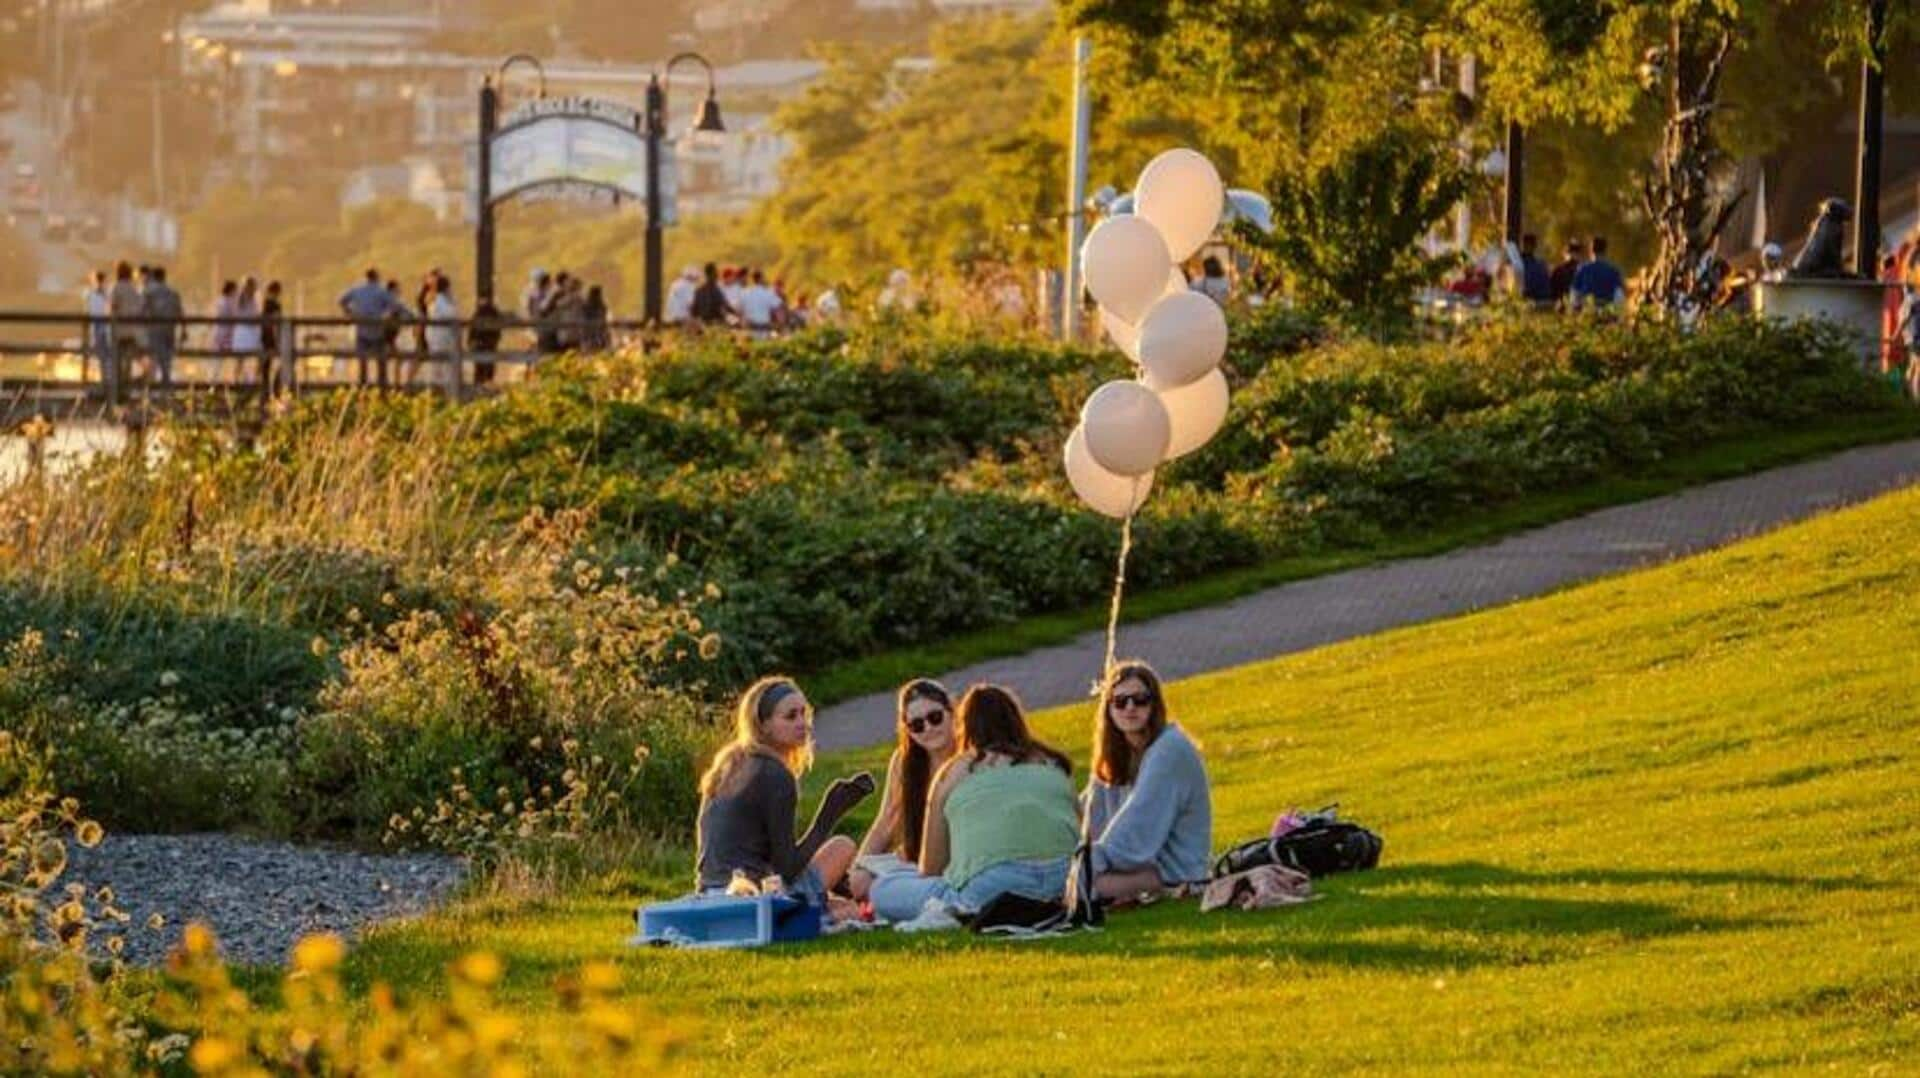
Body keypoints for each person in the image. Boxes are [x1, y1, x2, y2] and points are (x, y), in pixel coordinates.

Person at [868, 684, 1079, 923]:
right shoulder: (1053, 763)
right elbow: (1081, 834)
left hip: (992, 886)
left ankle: (964, 908)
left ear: (962, 724)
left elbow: (930, 868)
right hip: (1065, 880)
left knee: (882, 889)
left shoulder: (956, 771)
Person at [694, 677, 874, 908]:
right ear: (764, 725)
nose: (803, 724)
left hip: (709, 893)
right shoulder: (775, 774)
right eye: (791, 716)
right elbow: (786, 869)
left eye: (804, 714)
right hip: (752, 898)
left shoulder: (729, 763)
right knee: (843, 847)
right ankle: (824, 912)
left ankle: (830, 905)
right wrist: (831, 812)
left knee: (843, 902)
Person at [1081, 661, 1213, 904]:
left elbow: (1133, 839)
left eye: (1140, 699)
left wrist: (1083, 863)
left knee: (1076, 883)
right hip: (1135, 867)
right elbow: (1084, 817)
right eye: (1120, 701)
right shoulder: (1119, 756)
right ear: (1108, 709)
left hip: (1171, 874)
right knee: (1066, 877)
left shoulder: (1169, 750)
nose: (1130, 708)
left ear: (1155, 705)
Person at [846, 679, 960, 902]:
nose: (928, 729)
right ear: (907, 729)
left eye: (935, 717)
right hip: (916, 859)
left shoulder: (968, 755)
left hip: (958, 858)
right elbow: (886, 821)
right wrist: (858, 866)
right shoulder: (905, 761)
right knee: (858, 883)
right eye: (917, 725)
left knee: (884, 891)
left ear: (952, 711)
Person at [338, 268, 393, 387]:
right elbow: (393, 305)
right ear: (377, 278)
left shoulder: (356, 290)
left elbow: (341, 300)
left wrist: (350, 313)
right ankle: (382, 387)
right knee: (381, 362)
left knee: (362, 361)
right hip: (377, 329)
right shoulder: (381, 291)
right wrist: (386, 316)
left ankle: (363, 387)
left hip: (361, 328)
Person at [107, 262, 144, 402]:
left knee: (116, 363)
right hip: (132, 331)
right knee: (128, 364)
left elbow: (112, 307)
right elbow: (140, 307)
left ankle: (117, 393)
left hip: (119, 330)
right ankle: (126, 391)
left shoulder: (116, 288)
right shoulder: (134, 289)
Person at [143, 267, 184, 389]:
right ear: (164, 277)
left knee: (153, 357)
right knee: (167, 358)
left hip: (154, 328)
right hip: (169, 328)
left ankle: (152, 387)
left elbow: (143, 310)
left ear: (154, 277)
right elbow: (179, 310)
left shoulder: (148, 292)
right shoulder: (172, 292)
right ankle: (166, 384)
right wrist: (184, 328)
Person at [1570, 236, 1626, 308]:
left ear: (1591, 250)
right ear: (1605, 251)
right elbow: (1619, 296)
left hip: (1587, 311)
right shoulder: (1613, 270)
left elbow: (1574, 294)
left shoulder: (1583, 269)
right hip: (1607, 311)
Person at [231, 277, 263, 385]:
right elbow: (242, 313)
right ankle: (237, 379)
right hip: (244, 329)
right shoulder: (242, 297)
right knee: (241, 357)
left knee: (256, 354)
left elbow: (255, 312)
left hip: (250, 329)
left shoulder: (253, 298)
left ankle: (253, 378)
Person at [467, 295, 504, 385]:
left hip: (484, 344)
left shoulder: (481, 312)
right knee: (485, 367)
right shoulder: (493, 312)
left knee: (482, 367)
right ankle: (485, 382)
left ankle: (482, 383)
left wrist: (471, 341)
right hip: (486, 344)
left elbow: (473, 330)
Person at [82, 271, 109, 385]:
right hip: (94, 327)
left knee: (103, 356)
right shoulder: (89, 293)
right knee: (92, 354)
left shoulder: (106, 294)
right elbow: (86, 309)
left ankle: (103, 380)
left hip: (103, 328)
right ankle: (87, 379)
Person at [425, 275, 459, 364]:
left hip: (437, 335)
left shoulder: (437, 299)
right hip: (440, 337)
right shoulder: (440, 301)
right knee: (441, 366)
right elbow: (451, 315)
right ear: (446, 288)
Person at [738, 269, 781, 336]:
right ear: (761, 279)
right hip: (764, 328)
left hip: (749, 329)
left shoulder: (744, 293)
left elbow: (740, 311)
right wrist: (780, 326)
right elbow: (778, 309)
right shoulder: (768, 293)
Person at [689, 262, 733, 327]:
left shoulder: (698, 289)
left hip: (704, 324)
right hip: (716, 324)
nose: (718, 274)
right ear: (712, 274)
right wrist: (737, 314)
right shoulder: (714, 288)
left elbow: (693, 311)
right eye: (716, 272)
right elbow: (725, 305)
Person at [257, 279, 283, 389]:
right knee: (268, 364)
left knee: (265, 365)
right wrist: (278, 339)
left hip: (264, 335)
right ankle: (269, 388)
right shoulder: (275, 305)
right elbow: (275, 323)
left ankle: (264, 387)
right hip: (271, 337)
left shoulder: (264, 303)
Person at [1517, 233, 1553, 305]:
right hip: (1534, 301)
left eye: (1530, 245)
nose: (1528, 247)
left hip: (1532, 301)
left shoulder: (1540, 265)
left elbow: (1545, 288)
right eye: (1527, 245)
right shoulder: (1540, 265)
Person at [1549, 239, 1585, 305]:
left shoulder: (1558, 270)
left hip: (1562, 305)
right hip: (1577, 306)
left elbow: (1552, 292)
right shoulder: (1584, 270)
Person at [581, 284, 611, 351]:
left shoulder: (586, 304)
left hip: (590, 329)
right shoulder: (601, 304)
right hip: (598, 328)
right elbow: (604, 315)